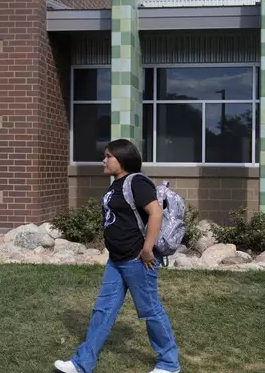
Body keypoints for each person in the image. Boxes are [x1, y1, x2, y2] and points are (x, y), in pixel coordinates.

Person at [54, 139, 181, 373]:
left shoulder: (137, 182)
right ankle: (82, 363)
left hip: (137, 259)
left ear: (122, 159)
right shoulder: (116, 184)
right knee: (103, 310)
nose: (104, 160)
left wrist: (147, 249)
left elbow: (155, 214)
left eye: (108, 156)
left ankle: (169, 363)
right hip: (117, 259)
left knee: (151, 311)